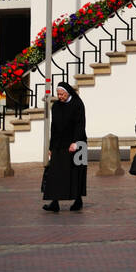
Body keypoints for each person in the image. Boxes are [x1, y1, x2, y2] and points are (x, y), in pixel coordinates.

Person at [42, 82, 87, 213]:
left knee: (76, 173)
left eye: (62, 94)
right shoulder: (55, 106)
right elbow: (53, 127)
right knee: (55, 174)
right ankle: (54, 202)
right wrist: (51, 146)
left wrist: (76, 142)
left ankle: (78, 200)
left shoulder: (77, 104)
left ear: (68, 93)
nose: (60, 97)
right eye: (58, 94)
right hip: (59, 144)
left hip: (77, 143)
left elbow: (80, 124)